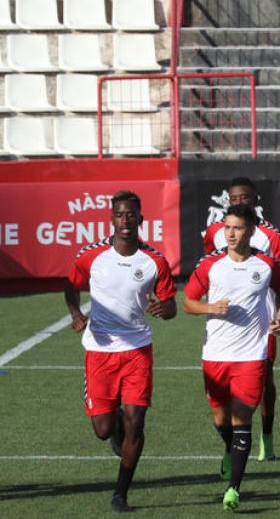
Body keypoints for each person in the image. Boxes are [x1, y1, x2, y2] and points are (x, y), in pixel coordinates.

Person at [65, 191, 175, 513]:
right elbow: (70, 284)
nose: (125, 221)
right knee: (102, 431)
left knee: (136, 422)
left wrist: (164, 309)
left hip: (137, 349)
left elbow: (170, 306)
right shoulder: (92, 255)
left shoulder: (154, 261)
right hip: (99, 351)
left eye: (131, 215)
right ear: (111, 219)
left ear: (141, 220)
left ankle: (120, 494)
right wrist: (75, 313)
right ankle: (113, 422)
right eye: (120, 215)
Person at [183, 204, 280, 513]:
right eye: (227, 227)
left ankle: (234, 489)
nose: (230, 233)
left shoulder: (267, 264)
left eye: (238, 228)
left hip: (251, 355)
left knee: (241, 417)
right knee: (220, 419)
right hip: (215, 354)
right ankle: (230, 449)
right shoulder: (210, 265)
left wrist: (279, 318)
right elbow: (188, 302)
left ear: (252, 230)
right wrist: (210, 308)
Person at [202, 177, 280, 461]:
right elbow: (210, 268)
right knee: (224, 392)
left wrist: (262, 271)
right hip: (224, 323)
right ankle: (234, 442)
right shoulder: (217, 232)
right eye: (234, 198)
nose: (239, 202)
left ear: (256, 200)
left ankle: (267, 436)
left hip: (261, 320)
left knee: (264, 380)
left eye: (245, 197)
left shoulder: (271, 236)